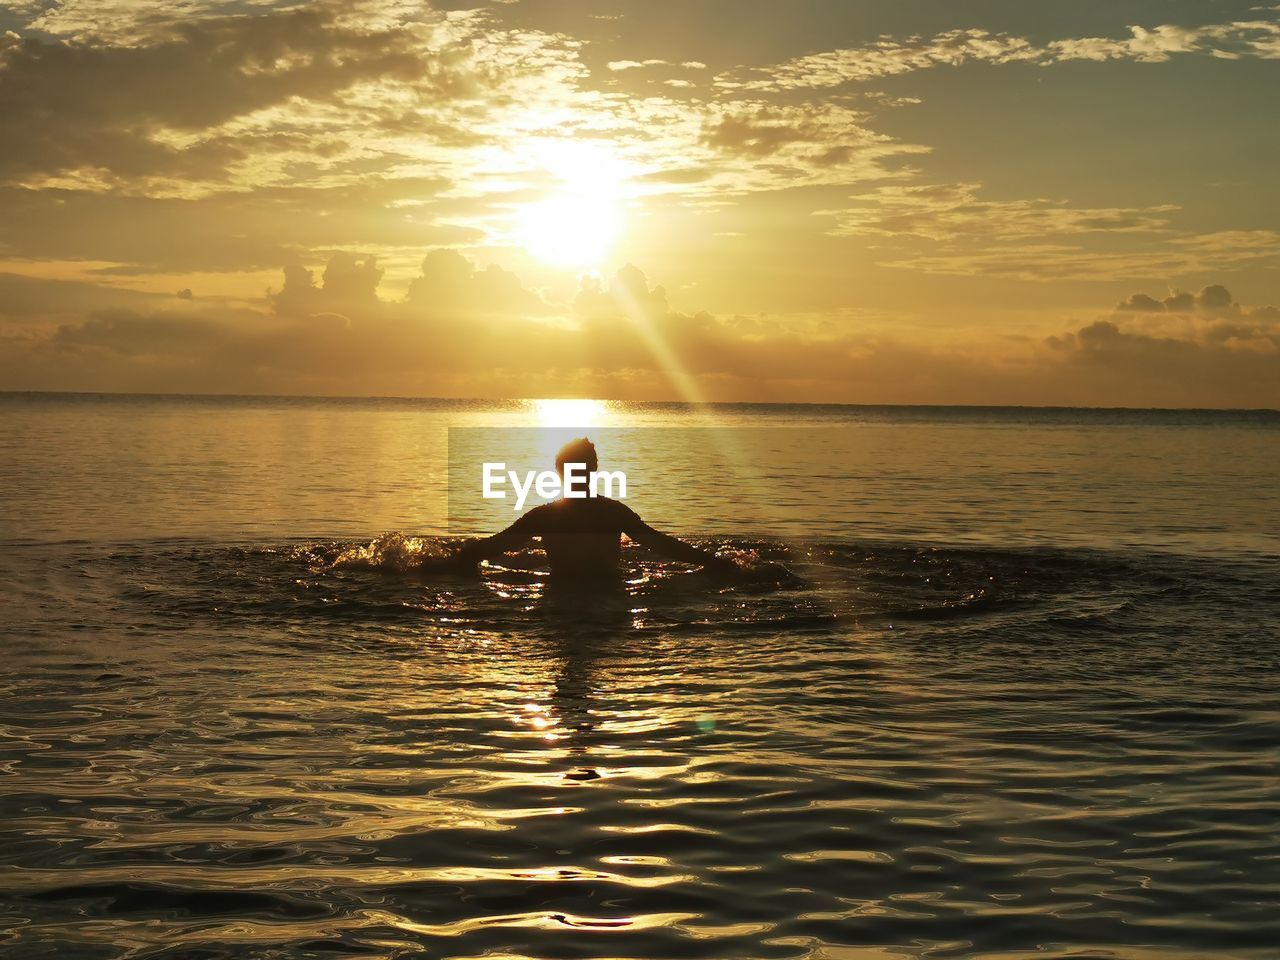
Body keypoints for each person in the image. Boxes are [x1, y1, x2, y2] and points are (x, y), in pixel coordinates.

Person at [450, 437, 740, 582]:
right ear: (594, 468)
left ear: (558, 471)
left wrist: (457, 559)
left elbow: (491, 548)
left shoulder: (545, 517)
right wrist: (714, 562)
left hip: (560, 597)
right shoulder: (613, 513)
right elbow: (662, 545)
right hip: (609, 595)